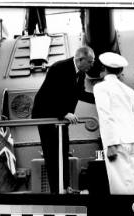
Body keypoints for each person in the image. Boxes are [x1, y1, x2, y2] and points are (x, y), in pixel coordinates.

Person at [31, 46, 95, 194]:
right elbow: (49, 94)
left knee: (63, 151)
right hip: (46, 115)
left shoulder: (81, 72)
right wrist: (63, 113)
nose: (92, 65)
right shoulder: (59, 68)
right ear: (80, 60)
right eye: (90, 62)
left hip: (62, 118)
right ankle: (56, 191)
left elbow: (80, 93)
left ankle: (65, 187)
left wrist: (101, 98)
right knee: (52, 154)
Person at [92, 52, 134, 194]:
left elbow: (106, 115)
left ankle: (123, 214)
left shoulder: (100, 88)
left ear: (103, 68)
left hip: (117, 142)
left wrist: (111, 143)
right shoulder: (129, 90)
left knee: (120, 185)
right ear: (120, 71)